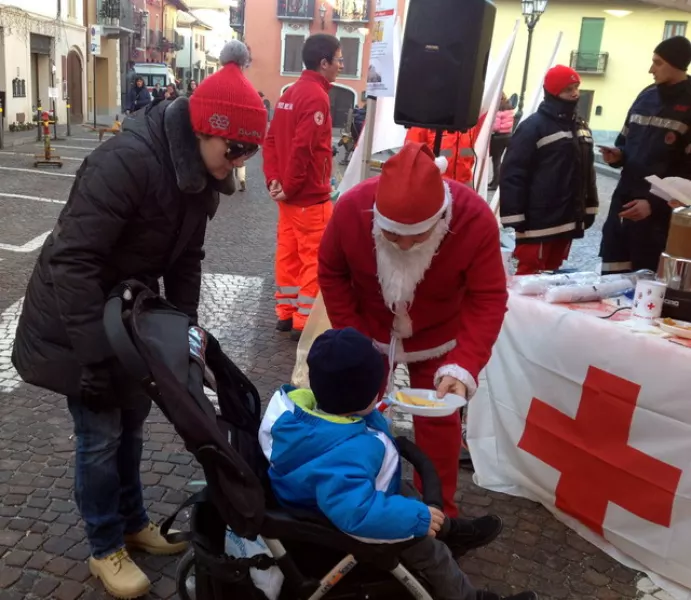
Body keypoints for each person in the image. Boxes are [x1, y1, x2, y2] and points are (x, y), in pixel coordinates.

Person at [11, 41, 266, 600]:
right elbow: (72, 260)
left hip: (128, 319)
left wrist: (184, 333)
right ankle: (105, 546)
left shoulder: (202, 176)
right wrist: (94, 353)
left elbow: (187, 258)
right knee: (99, 438)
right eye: (237, 147)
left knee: (131, 426)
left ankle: (132, 521)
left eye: (249, 151)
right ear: (206, 130)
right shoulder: (126, 161)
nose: (241, 161)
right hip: (76, 320)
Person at [259, 328, 536, 600]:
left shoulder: (313, 413)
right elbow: (357, 514)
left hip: (338, 496)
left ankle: (448, 531)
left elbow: (353, 435)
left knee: (409, 494)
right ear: (362, 396)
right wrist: (417, 519)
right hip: (340, 522)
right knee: (433, 554)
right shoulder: (344, 455)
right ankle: (466, 595)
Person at [317, 142, 508, 517]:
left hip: (440, 336)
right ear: (376, 217)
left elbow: (487, 297)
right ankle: (355, 500)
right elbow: (332, 273)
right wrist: (354, 339)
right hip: (369, 331)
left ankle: (440, 512)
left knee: (439, 424)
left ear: (441, 219)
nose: (404, 245)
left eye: (417, 237)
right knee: (353, 415)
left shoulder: (473, 217)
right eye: (392, 236)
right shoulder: (352, 209)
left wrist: (463, 365)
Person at [263, 33, 343, 341]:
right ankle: (303, 320)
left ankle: (285, 313)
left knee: (288, 254)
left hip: (288, 195)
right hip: (309, 196)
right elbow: (303, 148)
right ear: (323, 63)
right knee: (313, 259)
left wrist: (274, 179)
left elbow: (272, 141)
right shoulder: (316, 96)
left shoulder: (289, 93)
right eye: (338, 60)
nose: (340, 65)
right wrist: (292, 186)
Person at [600, 36, 691, 274]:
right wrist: (618, 155)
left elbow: (688, 175)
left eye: (658, 62)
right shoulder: (646, 95)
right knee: (611, 282)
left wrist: (654, 204)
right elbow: (625, 142)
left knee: (645, 292)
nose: (651, 69)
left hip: (660, 222)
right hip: (623, 206)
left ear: (677, 64)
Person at [499, 66, 598, 275]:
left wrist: (590, 207)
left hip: (567, 220)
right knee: (528, 276)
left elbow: (588, 174)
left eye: (576, 87)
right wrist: (514, 215)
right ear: (553, 92)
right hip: (538, 222)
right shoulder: (533, 127)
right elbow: (513, 172)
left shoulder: (581, 126)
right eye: (567, 89)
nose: (574, 93)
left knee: (551, 277)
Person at [488, 93, 514, 191]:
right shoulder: (509, 107)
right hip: (507, 136)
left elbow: (496, 127)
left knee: (496, 160)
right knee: (497, 159)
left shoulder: (499, 108)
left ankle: (495, 183)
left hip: (498, 137)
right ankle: (495, 181)